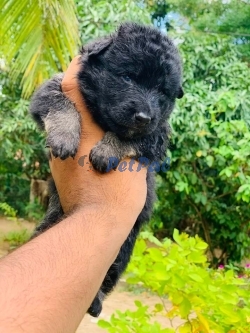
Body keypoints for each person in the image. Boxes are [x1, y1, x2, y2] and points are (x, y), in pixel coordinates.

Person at [0, 57, 147, 333]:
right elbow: (49, 96)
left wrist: (118, 145)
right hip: (70, 194)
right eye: (127, 79)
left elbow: (154, 143)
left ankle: (100, 287)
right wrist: (62, 123)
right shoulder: (79, 80)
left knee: (125, 239)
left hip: (125, 203)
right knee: (52, 225)